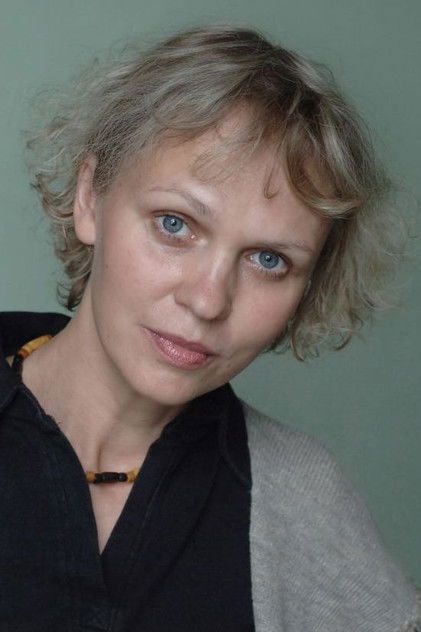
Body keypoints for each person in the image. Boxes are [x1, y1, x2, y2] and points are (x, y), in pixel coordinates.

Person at [0, 24, 419, 632]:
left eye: (268, 260)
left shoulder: (300, 498)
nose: (207, 299)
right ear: (91, 197)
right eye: (175, 224)